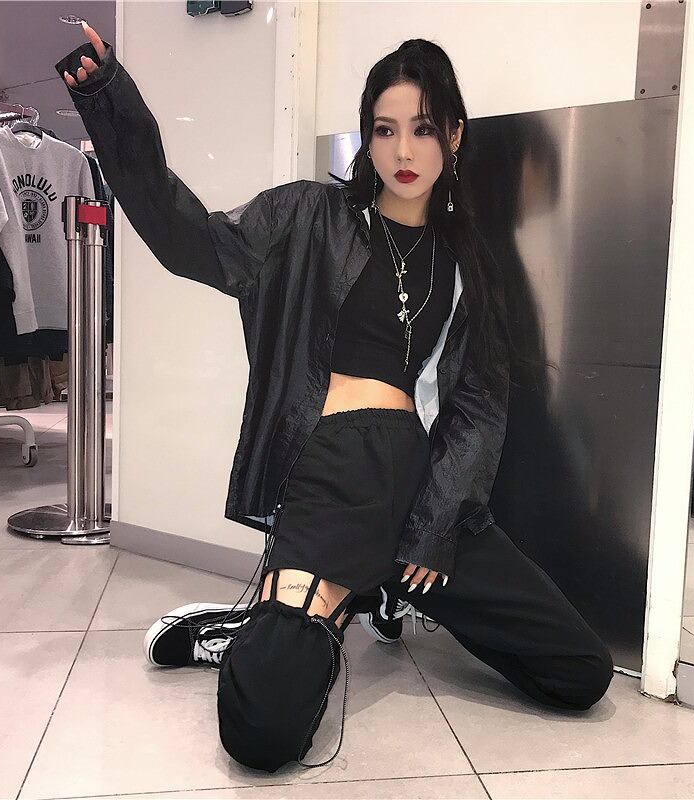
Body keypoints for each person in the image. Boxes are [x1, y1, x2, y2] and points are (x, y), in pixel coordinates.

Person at [56, 22, 614, 774]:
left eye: (423, 129)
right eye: (385, 129)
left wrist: (434, 527)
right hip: (330, 482)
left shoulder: (466, 261)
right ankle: (269, 621)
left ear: (454, 134)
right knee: (260, 733)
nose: (404, 150)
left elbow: (479, 406)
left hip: (424, 495)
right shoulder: (310, 217)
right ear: (368, 137)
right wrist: (109, 100)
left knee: (580, 671)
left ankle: (373, 591)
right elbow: (188, 239)